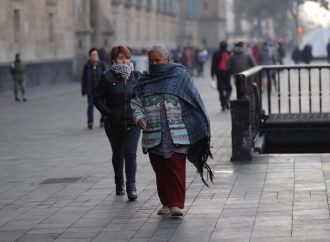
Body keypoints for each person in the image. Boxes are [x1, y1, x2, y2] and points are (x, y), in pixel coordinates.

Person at [131, 44, 213, 217]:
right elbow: (136, 102)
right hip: (153, 134)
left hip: (177, 133)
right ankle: (166, 203)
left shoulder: (179, 75)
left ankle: (176, 204)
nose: (154, 64)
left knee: (175, 169)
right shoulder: (143, 80)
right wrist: (138, 117)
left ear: (166, 59)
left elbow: (193, 99)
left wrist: (196, 123)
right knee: (160, 171)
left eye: (157, 60)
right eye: (151, 61)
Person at [94, 45, 141, 201]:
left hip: (133, 123)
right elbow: (97, 99)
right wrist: (109, 113)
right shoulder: (107, 77)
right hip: (113, 124)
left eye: (127, 57)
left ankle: (131, 186)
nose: (125, 61)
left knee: (130, 153)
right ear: (114, 60)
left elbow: (143, 97)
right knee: (118, 153)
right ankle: (119, 182)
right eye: (121, 58)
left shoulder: (137, 76)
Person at [81, 48, 107, 129]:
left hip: (101, 90)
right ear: (90, 56)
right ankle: (90, 122)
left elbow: (106, 77)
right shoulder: (87, 66)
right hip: (91, 90)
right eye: (93, 55)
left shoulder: (102, 64)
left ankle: (102, 120)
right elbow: (84, 79)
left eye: (96, 55)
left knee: (102, 105)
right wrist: (84, 90)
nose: (94, 56)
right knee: (90, 106)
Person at [211, 41, 232, 111]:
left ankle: (223, 104)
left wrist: (212, 74)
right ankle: (227, 99)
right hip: (227, 73)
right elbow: (232, 64)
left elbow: (213, 65)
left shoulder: (216, 53)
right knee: (229, 88)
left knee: (220, 89)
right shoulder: (229, 53)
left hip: (219, 73)